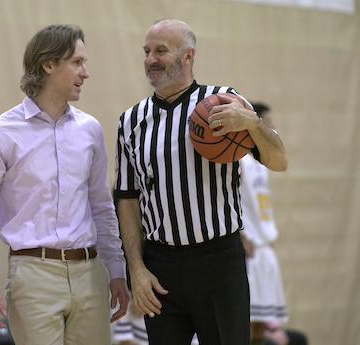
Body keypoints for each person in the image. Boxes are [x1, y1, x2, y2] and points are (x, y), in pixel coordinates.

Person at [114, 19, 288, 345]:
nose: (151, 59)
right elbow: (127, 199)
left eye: (160, 51)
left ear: (187, 56)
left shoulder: (223, 101)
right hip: (160, 266)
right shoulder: (131, 121)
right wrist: (135, 269)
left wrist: (252, 123)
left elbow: (279, 161)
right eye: (147, 51)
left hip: (218, 261)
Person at [0, 24, 129, 345]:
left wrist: (116, 270)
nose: (86, 72)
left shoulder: (90, 130)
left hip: (91, 272)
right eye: (77, 62)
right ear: (49, 64)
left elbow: (101, 206)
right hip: (32, 275)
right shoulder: (0, 133)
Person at [240, 103, 308, 345]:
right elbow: (227, 200)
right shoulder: (239, 160)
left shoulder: (262, 163)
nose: (274, 127)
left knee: (260, 323)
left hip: (265, 247)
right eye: (268, 122)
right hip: (249, 249)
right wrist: (241, 235)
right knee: (245, 323)